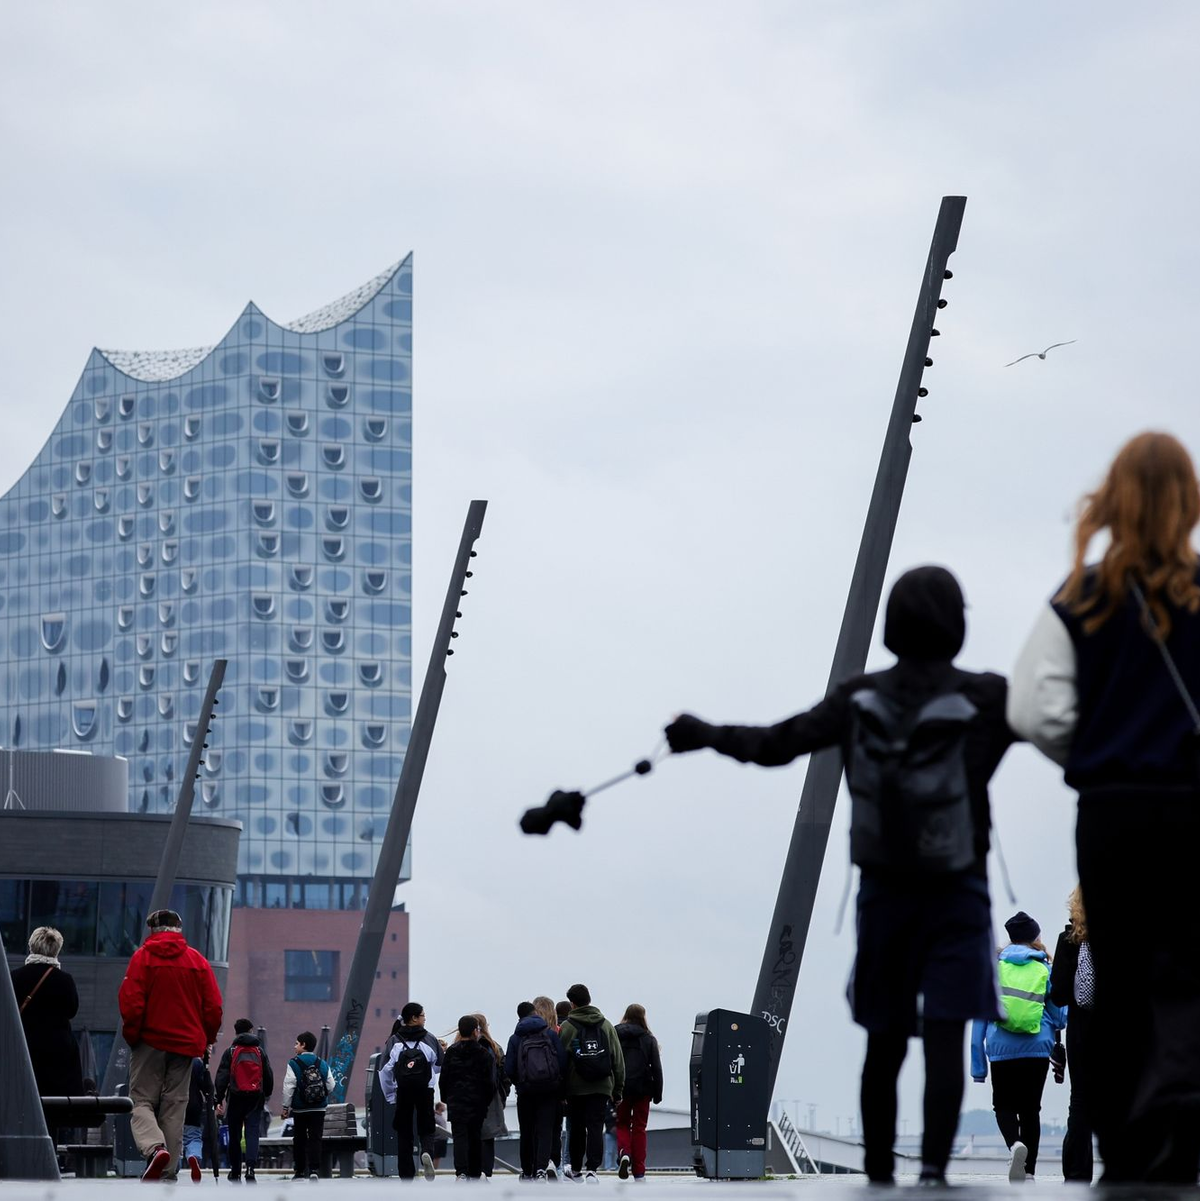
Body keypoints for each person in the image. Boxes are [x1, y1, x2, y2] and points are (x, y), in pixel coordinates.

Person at [666, 565, 1015, 1186]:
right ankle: (934, 1173)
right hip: (957, 892)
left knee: (884, 1040)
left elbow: (775, 744)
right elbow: (1067, 724)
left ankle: (878, 1174)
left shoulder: (858, 698)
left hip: (885, 892)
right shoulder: (987, 695)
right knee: (945, 1034)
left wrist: (703, 734)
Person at [1009, 430, 1200, 1183]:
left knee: (1115, 976)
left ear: (1113, 499)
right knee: (1183, 974)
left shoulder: (1082, 594)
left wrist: (1092, 755)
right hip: (1190, 808)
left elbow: (1030, 708)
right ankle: (1180, 1115)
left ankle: (1123, 1147)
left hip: (1111, 808)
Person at [118, 908, 223, 1182]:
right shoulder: (197, 961)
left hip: (149, 1041)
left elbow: (131, 1004)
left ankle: (155, 1148)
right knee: (175, 1105)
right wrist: (207, 1038)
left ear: (152, 930)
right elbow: (213, 1007)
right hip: (186, 1045)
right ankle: (167, 1171)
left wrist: (133, 1036)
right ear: (179, 929)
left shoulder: (142, 959)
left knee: (141, 1100)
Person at [971, 912, 1065, 1182]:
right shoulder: (1044, 968)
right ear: (1035, 937)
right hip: (1037, 1050)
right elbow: (1060, 1017)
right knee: (1031, 1110)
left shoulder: (994, 970)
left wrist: (978, 1068)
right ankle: (1030, 1171)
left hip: (1002, 1050)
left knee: (1003, 1105)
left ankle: (1014, 1145)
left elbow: (979, 1021)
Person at [558, 984, 625, 1183]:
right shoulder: (606, 1025)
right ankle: (592, 1170)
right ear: (589, 999)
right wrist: (618, 1090)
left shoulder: (568, 1027)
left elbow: (561, 1061)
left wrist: (561, 1091)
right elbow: (618, 1060)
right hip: (601, 1085)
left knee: (577, 1128)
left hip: (575, 1087)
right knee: (596, 1127)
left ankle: (576, 1169)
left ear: (572, 1004)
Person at [1050, 887, 1095, 1183]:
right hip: (1121, 1032)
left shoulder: (1068, 940)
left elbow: (1059, 995)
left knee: (1080, 1101)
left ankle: (1077, 1175)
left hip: (1081, 1033)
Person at [11, 926, 84, 1103]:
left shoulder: (14, 977)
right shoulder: (64, 980)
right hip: (58, 1053)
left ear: (31, 946)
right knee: (58, 1105)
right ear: (56, 950)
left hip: (24, 1048)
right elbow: (72, 1010)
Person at [378, 1001, 442, 1182]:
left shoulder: (394, 1040)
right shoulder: (429, 1038)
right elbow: (439, 1066)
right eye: (422, 1015)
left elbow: (384, 1071)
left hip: (403, 1090)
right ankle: (427, 1152)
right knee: (427, 1126)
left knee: (404, 1131)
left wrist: (390, 1095)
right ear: (414, 1018)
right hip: (425, 1090)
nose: (424, 1018)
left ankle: (406, 1174)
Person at [505, 1000, 567, 1180]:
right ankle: (541, 1169)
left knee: (527, 1131)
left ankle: (527, 1171)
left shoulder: (515, 1038)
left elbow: (509, 1068)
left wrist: (520, 1083)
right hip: (549, 1091)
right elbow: (562, 1062)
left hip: (525, 1092)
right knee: (545, 1131)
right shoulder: (550, 1034)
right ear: (535, 1013)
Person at [214, 1018, 274, 1182]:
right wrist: (266, 1093)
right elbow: (268, 1074)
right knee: (252, 1132)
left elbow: (221, 1077)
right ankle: (250, 1168)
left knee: (234, 1134)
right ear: (250, 1030)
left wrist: (218, 1099)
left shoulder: (231, 1051)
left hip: (235, 1097)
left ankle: (235, 1170)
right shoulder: (259, 1051)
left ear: (236, 1032)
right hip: (255, 1097)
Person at [440, 1015, 496, 1180]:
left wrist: (446, 1098)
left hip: (456, 1102)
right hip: (477, 1103)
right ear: (475, 1031)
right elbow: (490, 1082)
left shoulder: (451, 1052)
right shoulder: (483, 1053)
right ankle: (474, 1172)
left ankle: (461, 1172)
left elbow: (444, 1079)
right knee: (475, 1137)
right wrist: (486, 1100)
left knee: (459, 1137)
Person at [614, 1004, 663, 1180]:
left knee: (622, 1124)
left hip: (621, 1087)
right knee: (639, 1128)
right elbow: (656, 1068)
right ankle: (639, 1172)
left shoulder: (615, 1034)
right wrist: (658, 1093)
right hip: (643, 1088)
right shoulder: (649, 1039)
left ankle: (624, 1153)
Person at [281, 1030, 335, 1181]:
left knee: (299, 1138)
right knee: (315, 1138)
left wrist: (285, 1107)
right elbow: (331, 1085)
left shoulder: (293, 1063)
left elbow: (289, 1086)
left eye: (297, 1043)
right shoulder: (322, 1063)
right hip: (319, 1108)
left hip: (300, 1109)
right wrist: (321, 1095)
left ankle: (299, 1171)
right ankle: (314, 1170)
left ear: (303, 1045)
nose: (294, 1046)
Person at [470, 1013, 509, 1177]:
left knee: (470, 1134)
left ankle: (470, 1169)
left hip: (468, 1097)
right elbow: (505, 1075)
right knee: (488, 1135)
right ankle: (486, 1170)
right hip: (491, 1097)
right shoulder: (495, 1047)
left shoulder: (460, 1046)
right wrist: (502, 1095)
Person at [182, 1047, 214, 1181]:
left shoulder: (173, 1060)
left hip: (174, 1105)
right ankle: (193, 1156)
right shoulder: (196, 1062)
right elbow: (207, 1087)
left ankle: (173, 1166)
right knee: (193, 1137)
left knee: (173, 1137)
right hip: (193, 1106)